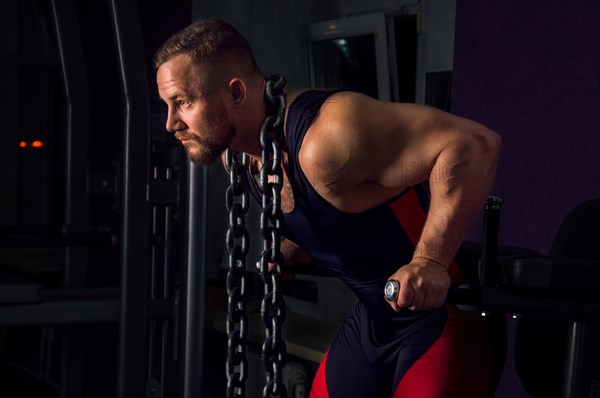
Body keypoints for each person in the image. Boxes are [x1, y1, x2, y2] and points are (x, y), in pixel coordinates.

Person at [154, 19, 501, 398]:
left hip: (443, 319)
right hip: (373, 321)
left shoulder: (329, 137)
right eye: (167, 106)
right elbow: (347, 218)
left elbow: (473, 143)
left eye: (183, 102)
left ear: (235, 93)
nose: (172, 123)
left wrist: (430, 262)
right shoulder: (242, 160)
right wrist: (292, 250)